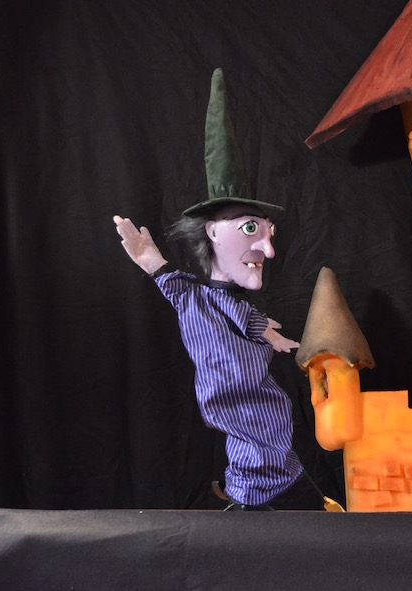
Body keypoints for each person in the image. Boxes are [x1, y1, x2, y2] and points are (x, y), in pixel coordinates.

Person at [113, 68, 324, 511]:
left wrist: (270, 333)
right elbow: (171, 283)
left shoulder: (227, 304)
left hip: (260, 405)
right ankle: (252, 496)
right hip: (238, 406)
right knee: (258, 432)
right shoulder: (193, 296)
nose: (268, 248)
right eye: (251, 229)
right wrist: (151, 260)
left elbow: (244, 317)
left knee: (272, 421)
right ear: (212, 233)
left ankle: (268, 492)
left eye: (268, 232)